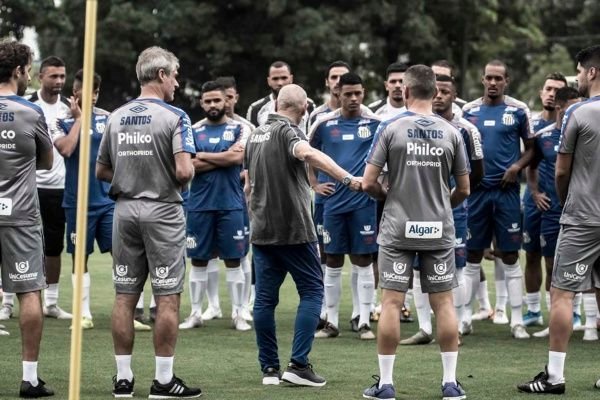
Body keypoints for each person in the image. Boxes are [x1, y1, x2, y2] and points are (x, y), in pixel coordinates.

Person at [96, 46, 201, 398]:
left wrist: (132, 175)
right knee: (167, 297)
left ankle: (123, 379)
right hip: (163, 212)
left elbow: (102, 170)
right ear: (160, 75)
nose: (177, 81)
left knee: (124, 296)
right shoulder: (176, 117)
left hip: (124, 211)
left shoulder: (115, 115)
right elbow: (185, 171)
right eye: (174, 74)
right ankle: (163, 381)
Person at [361, 64, 470, 400]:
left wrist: (386, 194)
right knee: (445, 305)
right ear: (435, 93)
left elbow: (368, 183)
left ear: (405, 92)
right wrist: (441, 206)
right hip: (438, 229)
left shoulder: (391, 128)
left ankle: (386, 384)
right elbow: (465, 188)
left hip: (397, 228)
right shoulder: (452, 131)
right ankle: (450, 383)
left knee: (392, 303)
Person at [244, 83, 361, 387]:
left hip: (262, 231)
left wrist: (256, 216)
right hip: (294, 230)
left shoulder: (254, 135)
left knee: (265, 301)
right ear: (303, 108)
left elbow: (247, 186)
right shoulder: (289, 131)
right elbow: (308, 153)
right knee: (312, 291)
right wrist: (348, 178)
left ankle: (269, 369)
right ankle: (298, 364)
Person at [518, 44, 600, 394]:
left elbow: (561, 170)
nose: (578, 77)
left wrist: (566, 202)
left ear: (592, 72)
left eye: (580, 71)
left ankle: (554, 376)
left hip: (582, 216)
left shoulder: (577, 113)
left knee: (562, 292)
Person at [401, 74, 484, 345]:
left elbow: (477, 173)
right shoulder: (410, 126)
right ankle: (425, 328)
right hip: (415, 209)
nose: (440, 96)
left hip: (453, 209)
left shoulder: (465, 130)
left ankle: (457, 326)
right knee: (415, 268)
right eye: (437, 91)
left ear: (453, 94)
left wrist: (450, 200)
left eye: (445, 92)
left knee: (456, 268)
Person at [462, 60, 534, 339]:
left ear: (507, 80)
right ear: (483, 79)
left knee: (510, 255)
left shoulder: (518, 110)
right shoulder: (469, 111)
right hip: (478, 193)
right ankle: (465, 317)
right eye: (489, 78)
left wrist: (517, 167)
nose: (493, 83)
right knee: (471, 255)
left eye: (498, 79)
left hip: (506, 194)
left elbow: (531, 149)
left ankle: (516, 320)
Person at [0, 40, 55, 398]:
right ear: (21, 71)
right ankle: (30, 379)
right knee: (29, 291)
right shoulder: (31, 112)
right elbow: (48, 162)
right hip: (19, 215)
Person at [0, 56, 72, 322]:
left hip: (55, 187)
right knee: (22, 263)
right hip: (27, 190)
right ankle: (6, 303)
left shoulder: (67, 108)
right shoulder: (29, 106)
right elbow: (49, 157)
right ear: (38, 75)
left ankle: (51, 302)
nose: (59, 81)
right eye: (53, 76)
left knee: (53, 246)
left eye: (63, 76)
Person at [310, 72, 381, 340]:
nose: (353, 98)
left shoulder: (375, 123)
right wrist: (314, 184)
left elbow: (386, 154)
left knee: (363, 260)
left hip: (363, 202)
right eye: (347, 94)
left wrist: (378, 182)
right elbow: (308, 153)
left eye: (358, 93)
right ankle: (331, 321)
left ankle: (363, 321)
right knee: (332, 260)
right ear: (338, 93)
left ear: (363, 93)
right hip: (333, 203)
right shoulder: (324, 123)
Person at [180, 81, 250, 331]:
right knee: (198, 260)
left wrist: (204, 156)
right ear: (201, 103)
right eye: (207, 101)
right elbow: (188, 166)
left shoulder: (239, 129)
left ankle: (238, 314)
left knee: (234, 260)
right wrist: (223, 157)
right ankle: (196, 313)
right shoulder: (192, 130)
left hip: (230, 204)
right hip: (199, 205)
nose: (212, 105)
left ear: (226, 102)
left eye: (217, 101)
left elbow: (238, 157)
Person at [526, 87, 580, 339]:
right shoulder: (543, 136)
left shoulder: (584, 132)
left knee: (584, 265)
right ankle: (553, 319)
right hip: (552, 210)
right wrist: (535, 192)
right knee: (551, 264)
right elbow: (531, 165)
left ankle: (582, 318)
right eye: (572, 106)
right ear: (559, 108)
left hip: (581, 209)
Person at [521, 73, 568, 328]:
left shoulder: (571, 125)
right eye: (548, 89)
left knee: (558, 259)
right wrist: (535, 192)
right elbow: (529, 162)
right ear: (541, 92)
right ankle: (531, 310)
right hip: (533, 201)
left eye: (557, 91)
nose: (552, 94)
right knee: (531, 255)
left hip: (560, 203)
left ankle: (570, 312)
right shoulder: (529, 125)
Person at [307, 60, 351, 327]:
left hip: (356, 198)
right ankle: (323, 310)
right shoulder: (317, 117)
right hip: (327, 196)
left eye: (342, 77)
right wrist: (313, 185)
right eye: (333, 77)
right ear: (328, 82)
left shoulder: (368, 116)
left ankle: (361, 314)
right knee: (324, 252)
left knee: (362, 254)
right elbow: (307, 153)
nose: (337, 81)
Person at [246, 61, 315, 132]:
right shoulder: (256, 108)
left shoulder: (308, 104)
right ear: (269, 81)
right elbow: (252, 140)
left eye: (284, 78)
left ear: (291, 79)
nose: (280, 83)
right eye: (275, 79)